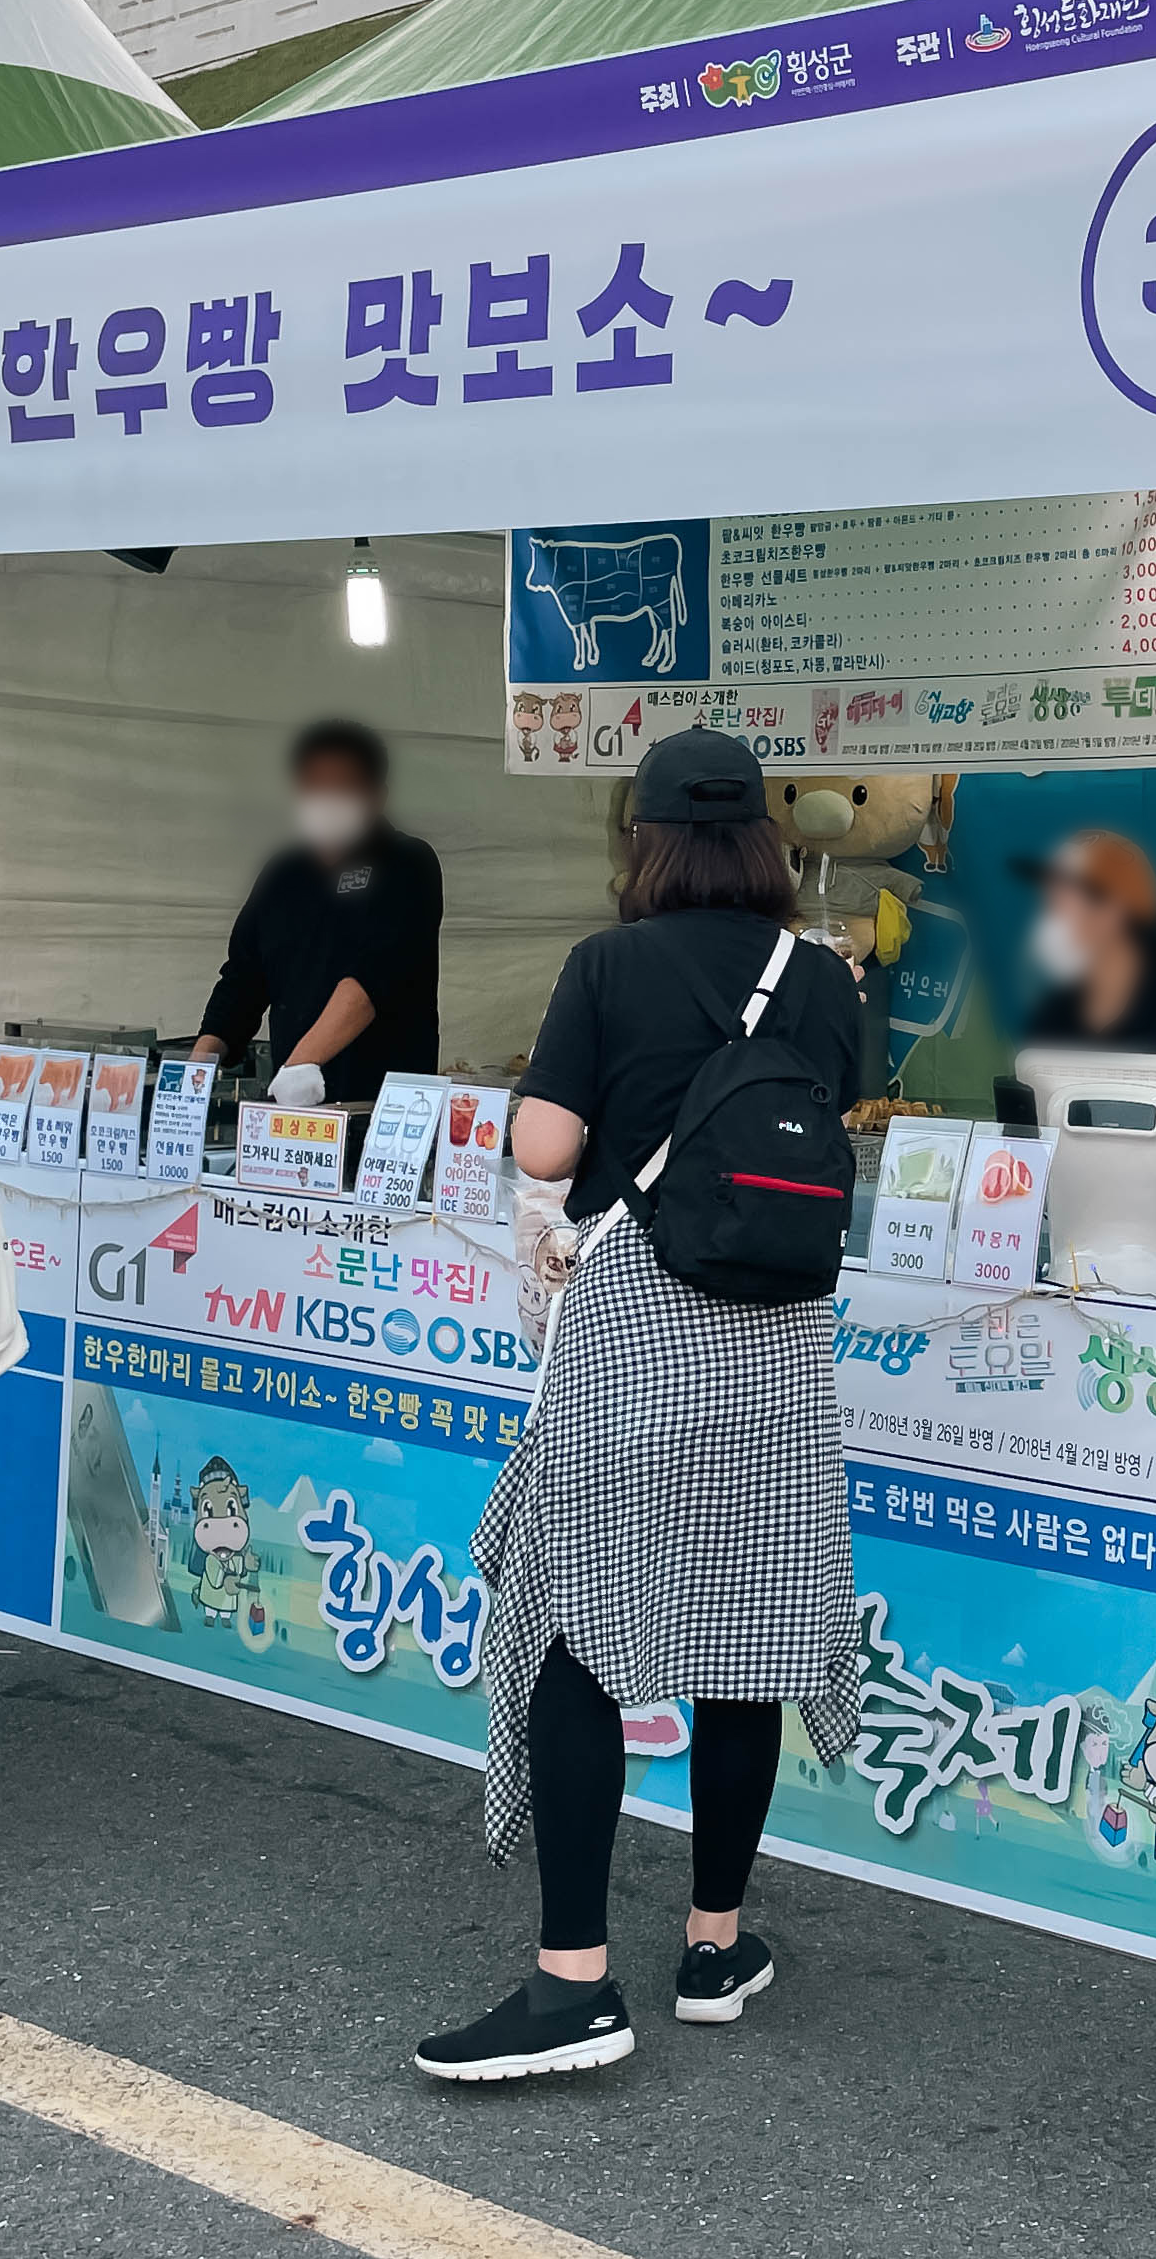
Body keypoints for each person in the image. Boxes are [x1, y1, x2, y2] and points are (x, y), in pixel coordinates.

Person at [420, 728, 862, 2083]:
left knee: (576, 1631)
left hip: (637, 1324)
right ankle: (715, 1947)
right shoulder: (824, 976)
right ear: (766, 841)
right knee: (746, 1632)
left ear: (645, 840)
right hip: (778, 1340)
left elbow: (548, 1144)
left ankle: (574, 1982)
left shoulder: (608, 966)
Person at [190, 720, 441, 1106]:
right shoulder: (283, 873)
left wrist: (300, 1065)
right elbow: (243, 978)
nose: (326, 800)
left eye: (342, 787)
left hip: (384, 1108)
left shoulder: (408, 863)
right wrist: (200, 1063)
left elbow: (372, 977)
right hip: (296, 1105)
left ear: (377, 795)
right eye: (315, 786)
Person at [1017, 829, 1156, 1060]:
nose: (1053, 924)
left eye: (1063, 907)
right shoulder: (1051, 1018)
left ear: (1117, 910)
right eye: (1051, 906)